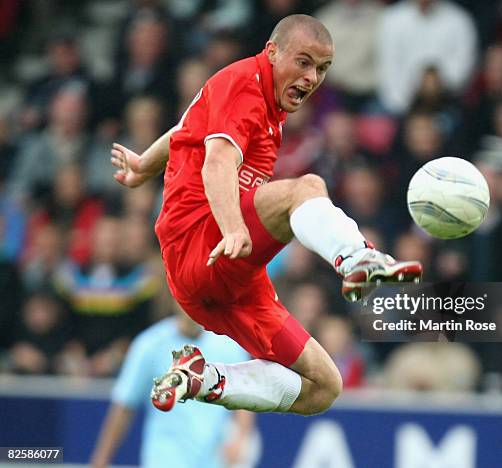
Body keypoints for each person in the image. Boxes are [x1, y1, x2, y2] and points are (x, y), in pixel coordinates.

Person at [110, 14, 422, 417]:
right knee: (305, 189)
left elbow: (186, 129)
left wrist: (143, 167)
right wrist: (233, 227)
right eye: (304, 62)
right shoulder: (245, 84)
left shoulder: (258, 101)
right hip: (201, 242)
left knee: (323, 387)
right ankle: (358, 258)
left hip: (223, 281)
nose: (312, 78)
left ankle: (202, 379)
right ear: (272, 52)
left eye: (323, 69)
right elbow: (217, 162)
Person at [90, 304, 256, 468]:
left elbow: (243, 396)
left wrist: (241, 437)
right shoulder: (149, 345)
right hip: (164, 459)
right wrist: (100, 461)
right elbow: (124, 407)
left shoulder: (229, 346)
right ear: (175, 297)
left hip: (214, 461)